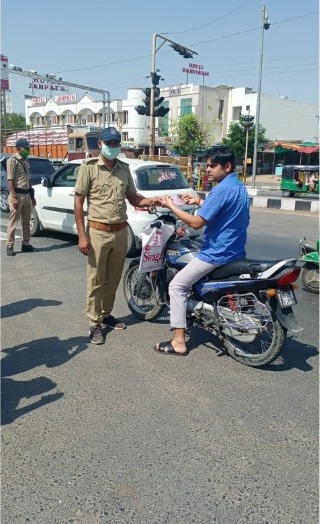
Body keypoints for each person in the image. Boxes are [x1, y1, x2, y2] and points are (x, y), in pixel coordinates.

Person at [154, 146, 250, 356]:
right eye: (206, 165)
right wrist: (198, 201)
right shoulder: (238, 187)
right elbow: (225, 210)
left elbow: (196, 223)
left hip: (216, 253)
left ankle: (179, 341)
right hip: (236, 251)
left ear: (227, 166)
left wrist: (171, 206)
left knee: (177, 286)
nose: (208, 170)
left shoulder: (221, 189)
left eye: (212, 166)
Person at [74, 127, 162, 345]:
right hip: (97, 233)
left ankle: (106, 314)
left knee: (112, 279)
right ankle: (94, 324)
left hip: (120, 231)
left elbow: (133, 197)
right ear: (100, 144)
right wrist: (82, 236)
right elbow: (78, 202)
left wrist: (153, 201)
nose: (113, 147)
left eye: (116, 143)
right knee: (96, 281)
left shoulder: (124, 169)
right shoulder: (89, 168)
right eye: (109, 143)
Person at [6, 138, 37, 256]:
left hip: (27, 195)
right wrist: (13, 196)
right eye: (26, 148)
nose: (28, 150)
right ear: (19, 148)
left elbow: (28, 179)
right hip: (17, 195)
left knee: (26, 221)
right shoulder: (12, 161)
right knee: (13, 221)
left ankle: (26, 243)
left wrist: (32, 196)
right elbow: (10, 180)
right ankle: (9, 245)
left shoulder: (26, 160)